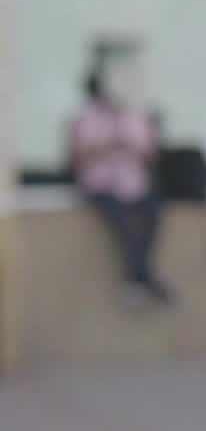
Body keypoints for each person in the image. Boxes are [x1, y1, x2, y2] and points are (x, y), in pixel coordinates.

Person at [68, 68, 172, 306]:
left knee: (152, 215)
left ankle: (137, 279)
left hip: (133, 185)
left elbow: (150, 155)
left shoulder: (134, 117)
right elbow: (76, 158)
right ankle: (143, 279)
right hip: (100, 185)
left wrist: (130, 147)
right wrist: (105, 147)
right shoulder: (87, 119)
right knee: (123, 225)